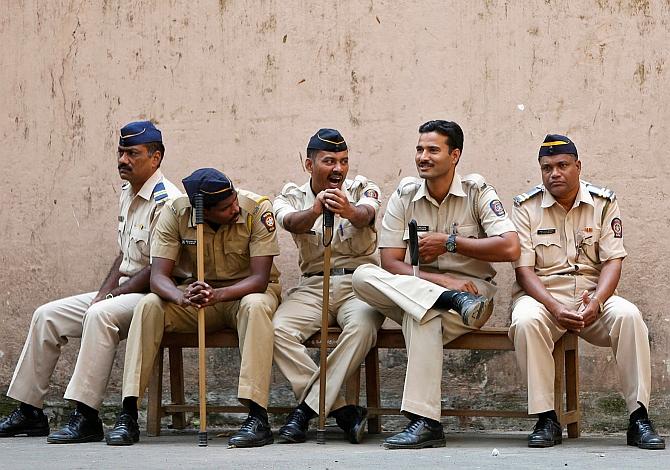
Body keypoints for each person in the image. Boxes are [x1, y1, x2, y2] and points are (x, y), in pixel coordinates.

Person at [0, 121, 181, 443]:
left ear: (156, 158)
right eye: (121, 152)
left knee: (100, 315)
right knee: (47, 315)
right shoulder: (128, 192)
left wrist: (111, 298)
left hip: (155, 293)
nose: (123, 160)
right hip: (125, 288)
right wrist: (102, 293)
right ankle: (30, 410)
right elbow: (123, 255)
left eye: (132, 154)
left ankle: (86, 416)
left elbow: (157, 268)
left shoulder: (168, 201)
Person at [352, 120, 520, 449]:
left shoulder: (477, 191)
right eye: (419, 149)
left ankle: (425, 423)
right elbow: (390, 263)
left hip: (473, 298)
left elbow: (510, 247)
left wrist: (450, 243)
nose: (422, 157)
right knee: (363, 275)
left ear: (454, 155)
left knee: (422, 317)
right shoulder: (405, 194)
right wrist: (444, 283)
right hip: (426, 290)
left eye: (432, 150)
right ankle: (426, 422)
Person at [509, 134, 665, 450]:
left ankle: (639, 418)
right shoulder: (526, 207)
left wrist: (597, 301)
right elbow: (524, 272)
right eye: (547, 167)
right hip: (544, 297)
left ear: (578, 166)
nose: (554, 173)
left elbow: (612, 262)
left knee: (629, 316)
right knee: (525, 320)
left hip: (593, 298)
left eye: (563, 165)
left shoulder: (603, 203)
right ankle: (546, 418)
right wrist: (553, 306)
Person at [105, 168, 281, 448]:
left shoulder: (256, 209)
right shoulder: (176, 212)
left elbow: (259, 280)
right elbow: (158, 276)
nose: (234, 208)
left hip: (244, 293)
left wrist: (219, 294)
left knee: (256, 306)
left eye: (234, 200)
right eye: (225, 208)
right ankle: (128, 412)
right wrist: (179, 298)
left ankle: (257, 416)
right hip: (198, 295)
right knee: (149, 304)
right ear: (205, 212)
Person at [272, 128, 384, 444]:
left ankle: (304, 412)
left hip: (360, 283)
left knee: (362, 329)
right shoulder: (291, 194)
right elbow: (290, 222)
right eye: (329, 161)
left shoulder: (363, 187)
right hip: (313, 285)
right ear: (309, 165)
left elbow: (366, 214)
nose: (338, 169)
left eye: (344, 161)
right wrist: (315, 210)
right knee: (276, 330)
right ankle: (342, 411)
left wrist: (347, 210)